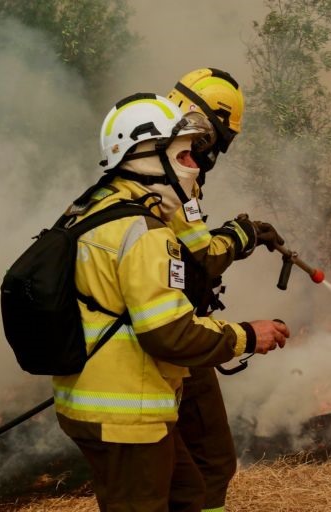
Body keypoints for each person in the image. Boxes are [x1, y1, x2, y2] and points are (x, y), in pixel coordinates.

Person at [52, 92, 290, 512]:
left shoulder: (96, 207)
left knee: (188, 491)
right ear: (147, 156)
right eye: (184, 156)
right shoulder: (143, 231)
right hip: (125, 415)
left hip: (106, 406)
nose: (196, 166)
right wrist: (248, 336)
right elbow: (169, 333)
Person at [165, 68, 285, 512]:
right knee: (212, 461)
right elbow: (204, 255)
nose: (208, 155)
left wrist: (239, 234)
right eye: (213, 141)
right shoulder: (172, 171)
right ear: (202, 122)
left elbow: (184, 243)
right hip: (172, 336)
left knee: (187, 468)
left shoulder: (148, 160)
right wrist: (244, 234)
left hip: (164, 332)